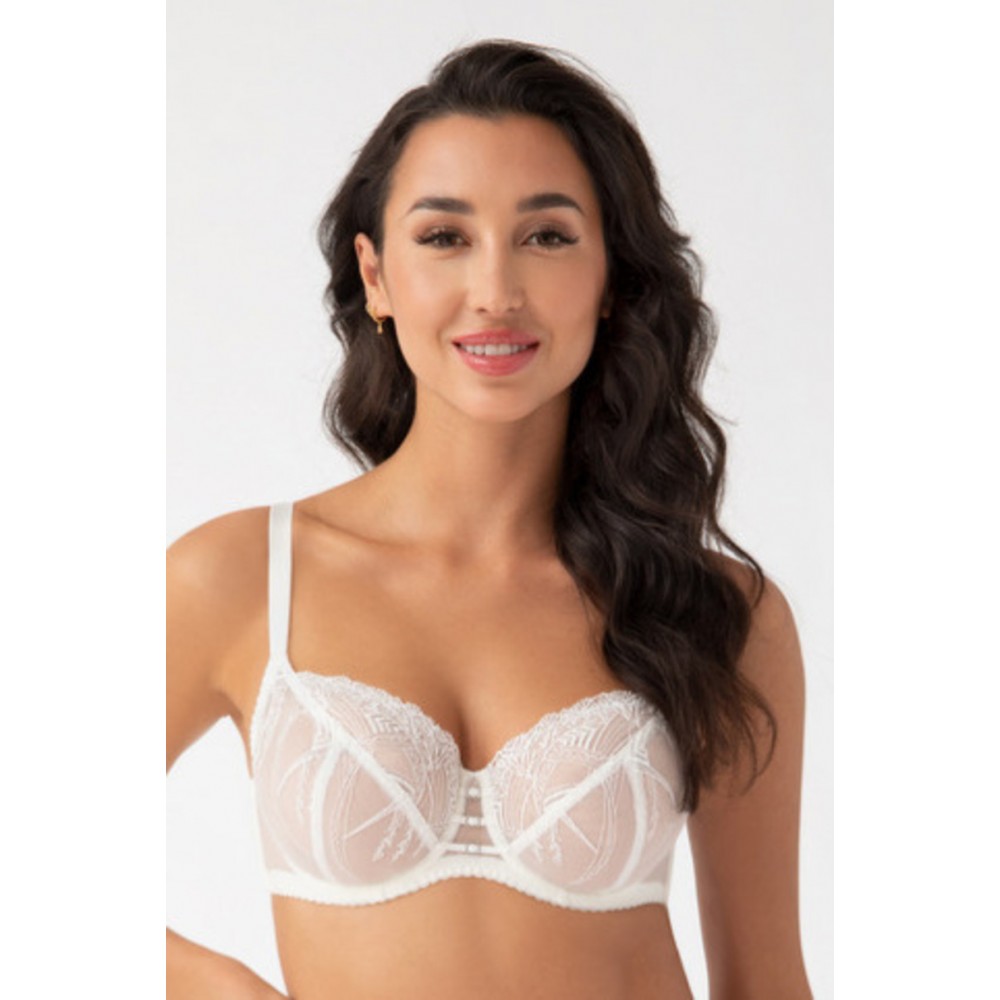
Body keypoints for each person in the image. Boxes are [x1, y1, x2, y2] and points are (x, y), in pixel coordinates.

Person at [167, 39, 812, 1000]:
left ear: (613, 277)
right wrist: (214, 986)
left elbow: (765, 981)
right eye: (444, 237)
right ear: (376, 276)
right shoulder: (241, 579)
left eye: (547, 236)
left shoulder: (720, 614)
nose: (497, 292)